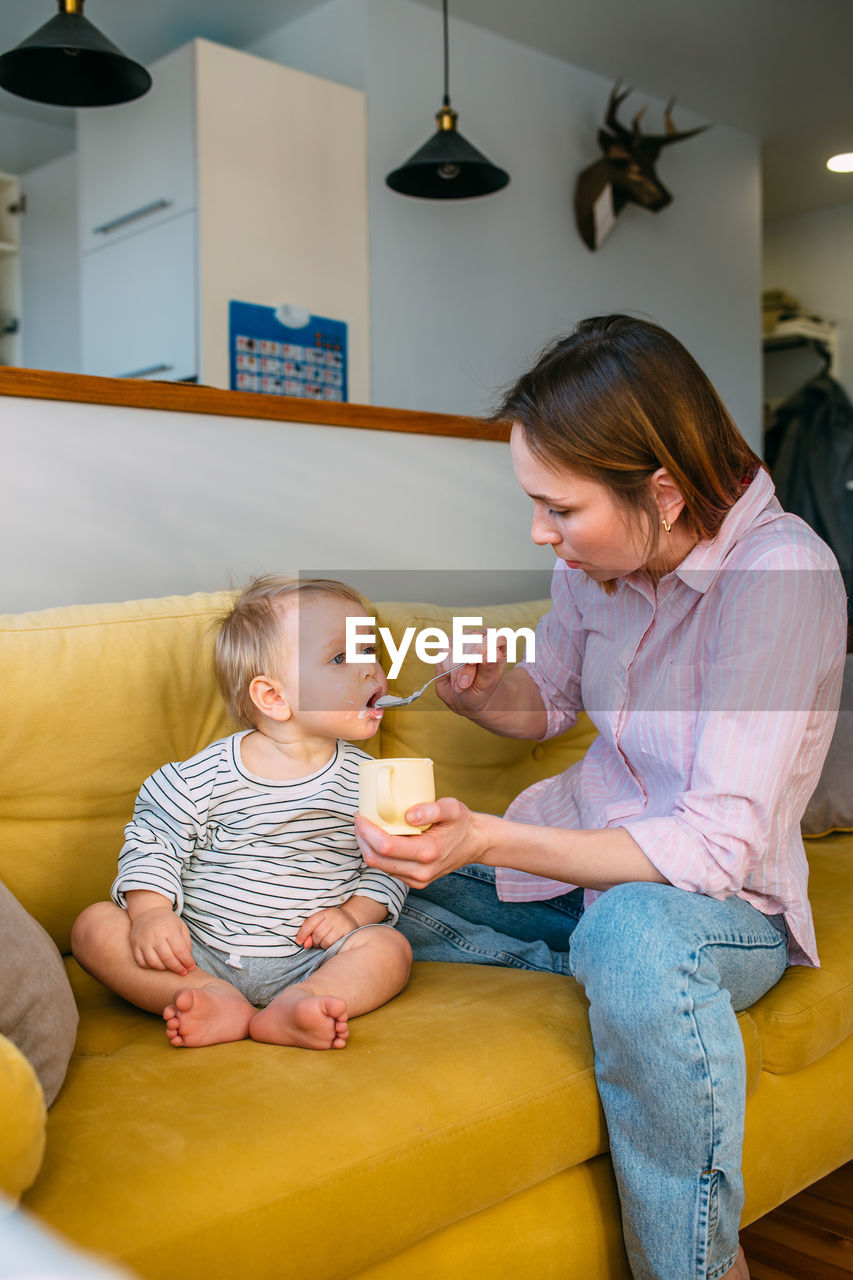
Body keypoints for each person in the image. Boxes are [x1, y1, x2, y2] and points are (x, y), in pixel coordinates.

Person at [353, 316, 847, 1280]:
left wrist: (489, 836)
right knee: (364, 866)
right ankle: (599, 972)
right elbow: (551, 705)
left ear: (660, 491)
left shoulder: (781, 576)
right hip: (583, 861)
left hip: (710, 908)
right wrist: (487, 694)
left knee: (630, 934)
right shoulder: (592, 570)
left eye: (559, 509)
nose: (541, 534)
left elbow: (709, 851)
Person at [71, 576, 411, 1051]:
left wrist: (354, 916)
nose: (372, 670)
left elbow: (392, 866)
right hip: (200, 950)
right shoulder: (201, 775)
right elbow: (153, 842)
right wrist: (151, 913)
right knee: (93, 926)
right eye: (341, 657)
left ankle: (302, 1003)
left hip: (313, 957)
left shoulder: (374, 780)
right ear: (273, 697)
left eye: (369, 650)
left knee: (390, 948)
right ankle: (209, 998)